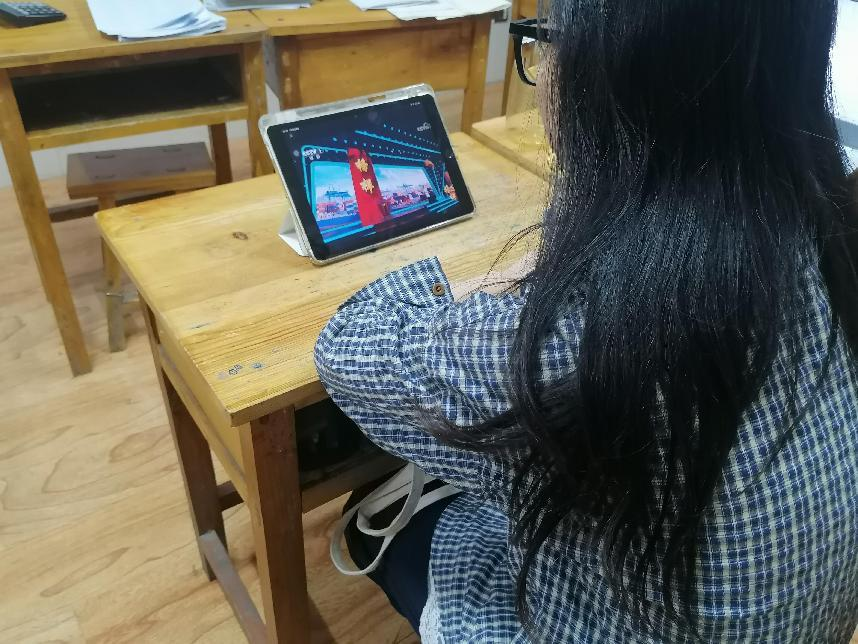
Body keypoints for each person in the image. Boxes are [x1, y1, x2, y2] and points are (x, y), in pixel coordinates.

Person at [314, 0, 858, 641]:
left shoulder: (582, 340)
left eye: (547, 37)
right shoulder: (832, 235)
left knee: (371, 507)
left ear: (607, 77)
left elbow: (344, 346)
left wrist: (482, 285)